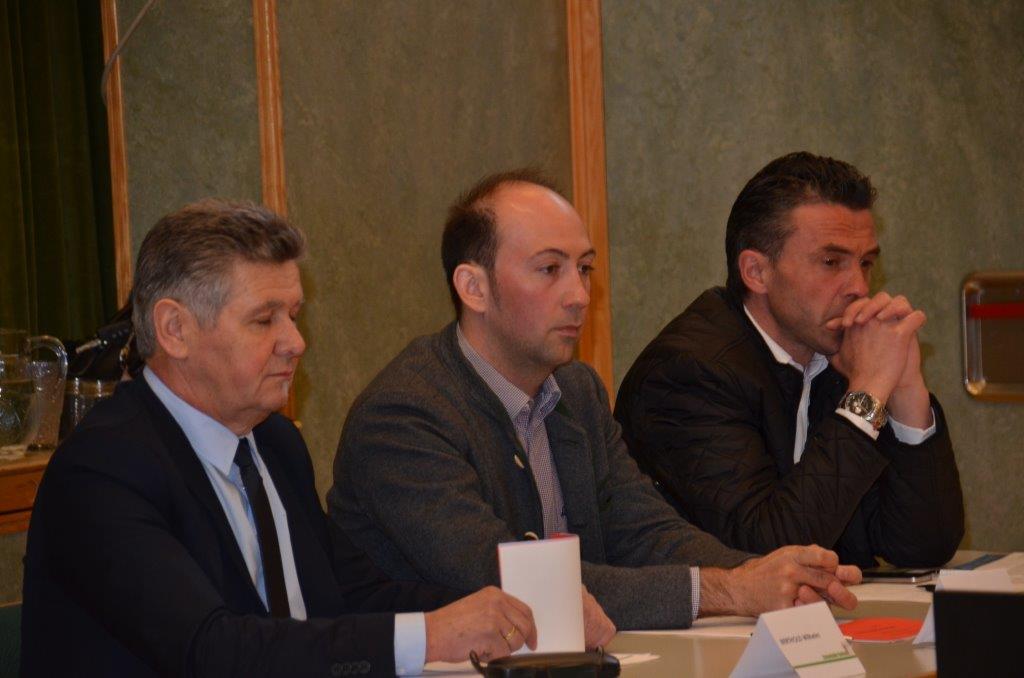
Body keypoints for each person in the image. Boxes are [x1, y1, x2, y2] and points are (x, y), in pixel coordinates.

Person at [329, 169, 862, 635]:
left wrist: (773, 576)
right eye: (549, 269)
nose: (580, 296)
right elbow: (510, 582)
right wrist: (731, 591)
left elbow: (644, 531)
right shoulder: (404, 415)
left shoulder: (577, 390)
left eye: (584, 268)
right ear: (474, 288)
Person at [21, 200, 539, 677]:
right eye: (263, 319)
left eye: (292, 315)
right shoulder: (102, 471)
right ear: (175, 329)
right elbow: (212, 650)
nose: (295, 342)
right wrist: (429, 637)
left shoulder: (274, 444)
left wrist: (509, 610)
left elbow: (357, 594)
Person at [615, 152, 964, 569]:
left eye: (866, 263)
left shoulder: (836, 358)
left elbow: (922, 547)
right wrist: (867, 394)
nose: (859, 287)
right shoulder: (687, 374)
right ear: (756, 272)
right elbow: (765, 554)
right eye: (831, 262)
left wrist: (905, 387)